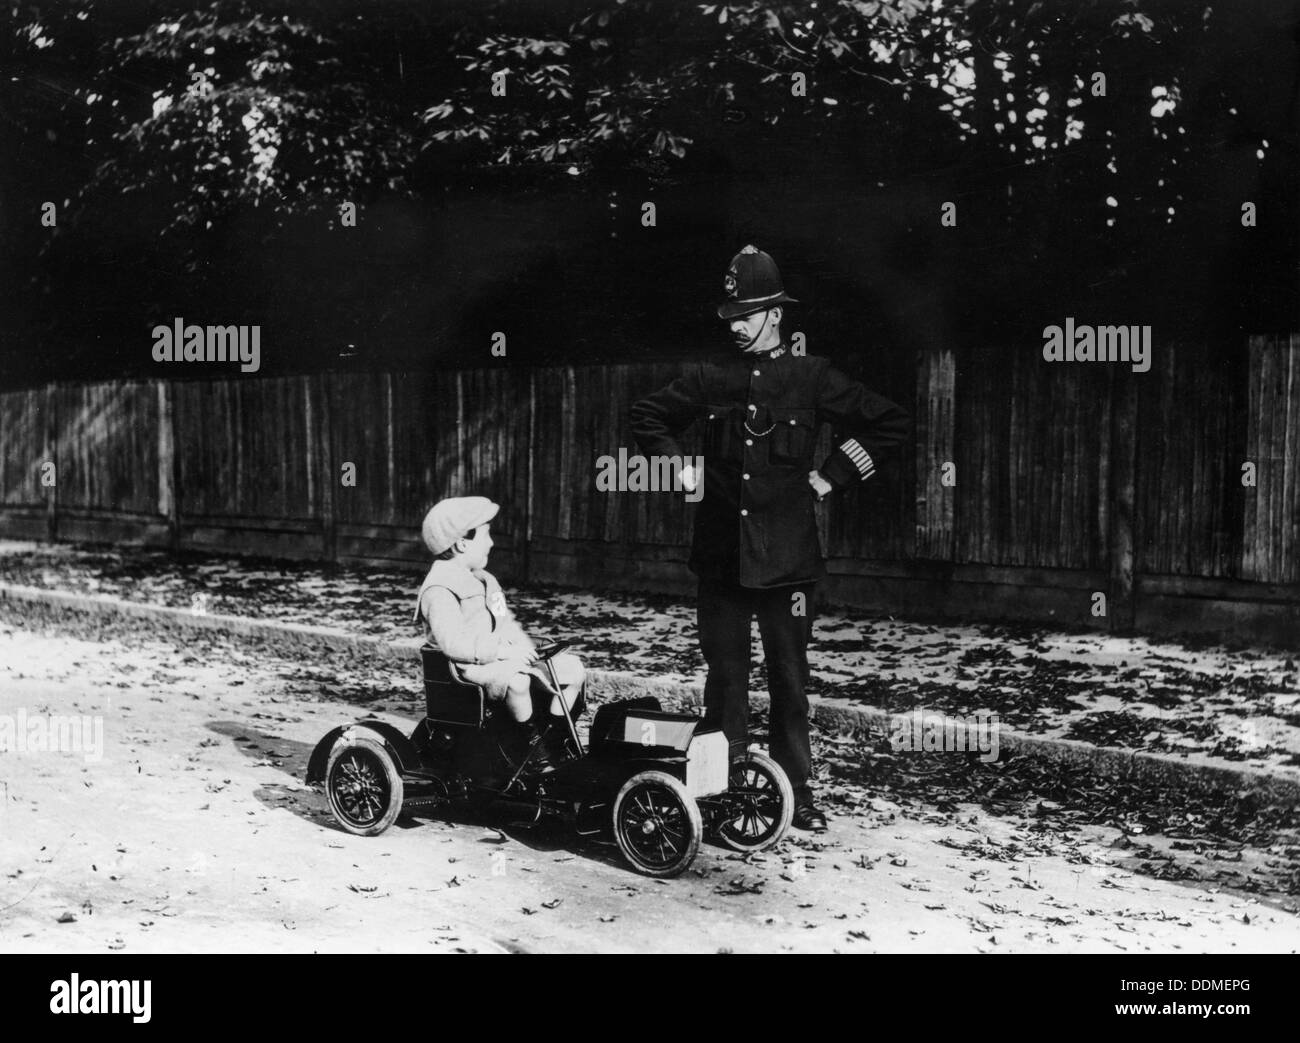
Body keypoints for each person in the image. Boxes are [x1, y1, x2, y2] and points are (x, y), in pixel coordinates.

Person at [630, 245, 911, 831]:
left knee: (789, 680)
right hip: (721, 560)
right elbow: (647, 416)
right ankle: (725, 786)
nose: (736, 325)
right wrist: (678, 466)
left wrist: (831, 475)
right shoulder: (711, 379)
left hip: (789, 565)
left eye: (748, 314)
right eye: (730, 314)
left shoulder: (812, 377)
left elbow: (890, 423)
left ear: (777, 315)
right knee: (725, 680)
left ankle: (796, 791)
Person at [414, 496, 585, 758]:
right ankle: (531, 752)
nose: (492, 543)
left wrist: (526, 648)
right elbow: (453, 644)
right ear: (462, 543)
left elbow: (505, 623)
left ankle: (556, 738)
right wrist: (502, 652)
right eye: (486, 535)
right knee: (516, 682)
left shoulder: (485, 580)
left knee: (573, 670)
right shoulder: (439, 590)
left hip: (502, 657)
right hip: (468, 668)